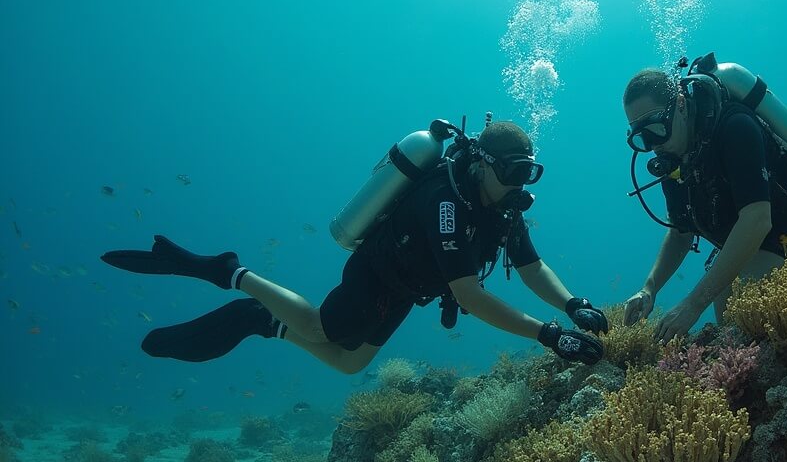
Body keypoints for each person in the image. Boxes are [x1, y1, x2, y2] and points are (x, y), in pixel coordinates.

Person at [102, 121, 606, 374]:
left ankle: (263, 321)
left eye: (530, 173)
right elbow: (471, 296)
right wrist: (548, 335)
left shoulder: (503, 209)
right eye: (514, 172)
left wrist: (572, 304)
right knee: (324, 328)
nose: (522, 184)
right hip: (378, 272)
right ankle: (230, 272)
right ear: (482, 165)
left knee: (349, 363)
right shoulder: (447, 203)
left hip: (410, 287)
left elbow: (532, 266)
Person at [621, 65, 787, 345]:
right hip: (742, 233)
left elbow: (757, 218)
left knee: (736, 310)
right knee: (729, 315)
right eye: (641, 138)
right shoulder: (676, 157)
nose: (654, 144)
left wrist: (693, 304)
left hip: (785, 223)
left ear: (680, 105)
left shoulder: (735, 126)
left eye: (657, 127)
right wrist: (649, 289)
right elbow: (681, 233)